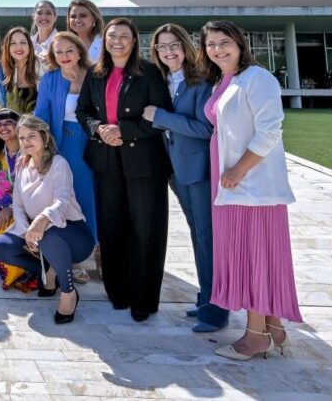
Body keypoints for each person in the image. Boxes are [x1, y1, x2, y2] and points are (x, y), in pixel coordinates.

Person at [200, 20, 301, 359]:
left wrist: (238, 170)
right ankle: (274, 328)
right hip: (230, 184)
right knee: (248, 255)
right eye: (211, 43)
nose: (218, 49)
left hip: (249, 183)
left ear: (240, 44)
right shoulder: (226, 80)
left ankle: (255, 336)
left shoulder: (259, 78)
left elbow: (270, 130)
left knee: (254, 256)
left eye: (224, 41)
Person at [75, 17, 172, 322]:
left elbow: (160, 115)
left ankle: (144, 300)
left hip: (143, 161)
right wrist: (99, 128)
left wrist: (123, 131)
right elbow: (83, 111)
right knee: (112, 226)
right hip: (106, 160)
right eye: (112, 36)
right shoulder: (95, 73)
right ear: (104, 40)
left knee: (146, 231)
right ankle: (118, 293)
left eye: (124, 36)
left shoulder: (149, 72)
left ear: (134, 41)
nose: (117, 41)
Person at [142, 24, 228, 333]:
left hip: (198, 171)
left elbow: (206, 129)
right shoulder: (163, 80)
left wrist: (162, 117)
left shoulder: (201, 80)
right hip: (176, 172)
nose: (168, 51)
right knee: (198, 235)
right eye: (161, 47)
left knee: (208, 237)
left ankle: (217, 309)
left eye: (173, 45)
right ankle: (207, 297)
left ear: (186, 46)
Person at [0, 115, 95, 325]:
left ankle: (68, 292)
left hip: (73, 235)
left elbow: (62, 201)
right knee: (0, 246)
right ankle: (48, 270)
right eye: (21, 138)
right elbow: (17, 204)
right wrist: (25, 231)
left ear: (45, 138)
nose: (26, 142)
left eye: (31, 136)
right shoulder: (22, 166)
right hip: (38, 233)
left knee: (48, 234)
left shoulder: (58, 164)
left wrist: (40, 220)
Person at [33, 32, 99, 283]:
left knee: (92, 199)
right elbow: (41, 116)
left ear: (80, 51)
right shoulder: (50, 79)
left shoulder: (95, 75)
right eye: (58, 52)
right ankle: (72, 259)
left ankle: (94, 248)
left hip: (95, 144)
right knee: (70, 200)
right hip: (65, 145)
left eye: (69, 50)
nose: (64, 56)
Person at [0, 108, 37, 290]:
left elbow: (36, 190)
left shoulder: (31, 153)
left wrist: (12, 207)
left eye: (8, 122)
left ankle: (38, 268)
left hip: (28, 210)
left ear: (19, 126)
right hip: (1, 209)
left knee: (11, 264)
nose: (3, 127)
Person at [1, 26, 40, 112]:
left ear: (29, 45)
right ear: (7, 47)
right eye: (13, 43)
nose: (18, 47)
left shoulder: (43, 65)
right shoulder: (6, 70)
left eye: (23, 42)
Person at [67, 0, 104, 65]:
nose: (77, 20)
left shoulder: (106, 43)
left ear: (95, 18)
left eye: (83, 16)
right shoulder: (63, 43)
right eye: (73, 16)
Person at [30, 0, 58, 68]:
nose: (43, 16)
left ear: (55, 17)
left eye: (48, 13)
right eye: (39, 13)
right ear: (33, 17)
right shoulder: (27, 43)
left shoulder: (65, 42)